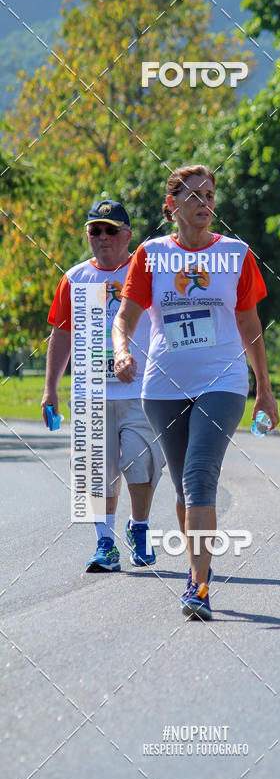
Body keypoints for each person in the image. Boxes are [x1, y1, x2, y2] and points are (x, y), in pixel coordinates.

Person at [112, 164, 279, 620]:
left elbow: (250, 324)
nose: (203, 204)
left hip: (222, 382)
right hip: (162, 385)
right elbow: (124, 317)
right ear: (171, 207)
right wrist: (122, 350)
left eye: (209, 195)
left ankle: (200, 586)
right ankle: (195, 570)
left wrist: (264, 387)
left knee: (201, 476)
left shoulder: (236, 254)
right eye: (192, 196)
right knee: (186, 488)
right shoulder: (150, 255)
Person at [42, 200, 165, 571]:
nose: (103, 237)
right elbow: (61, 335)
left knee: (141, 465)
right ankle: (105, 543)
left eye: (111, 229)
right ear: (88, 236)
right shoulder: (76, 278)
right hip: (90, 393)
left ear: (128, 234)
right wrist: (51, 389)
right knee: (93, 470)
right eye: (95, 230)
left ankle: (138, 528)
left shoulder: (147, 273)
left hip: (139, 390)